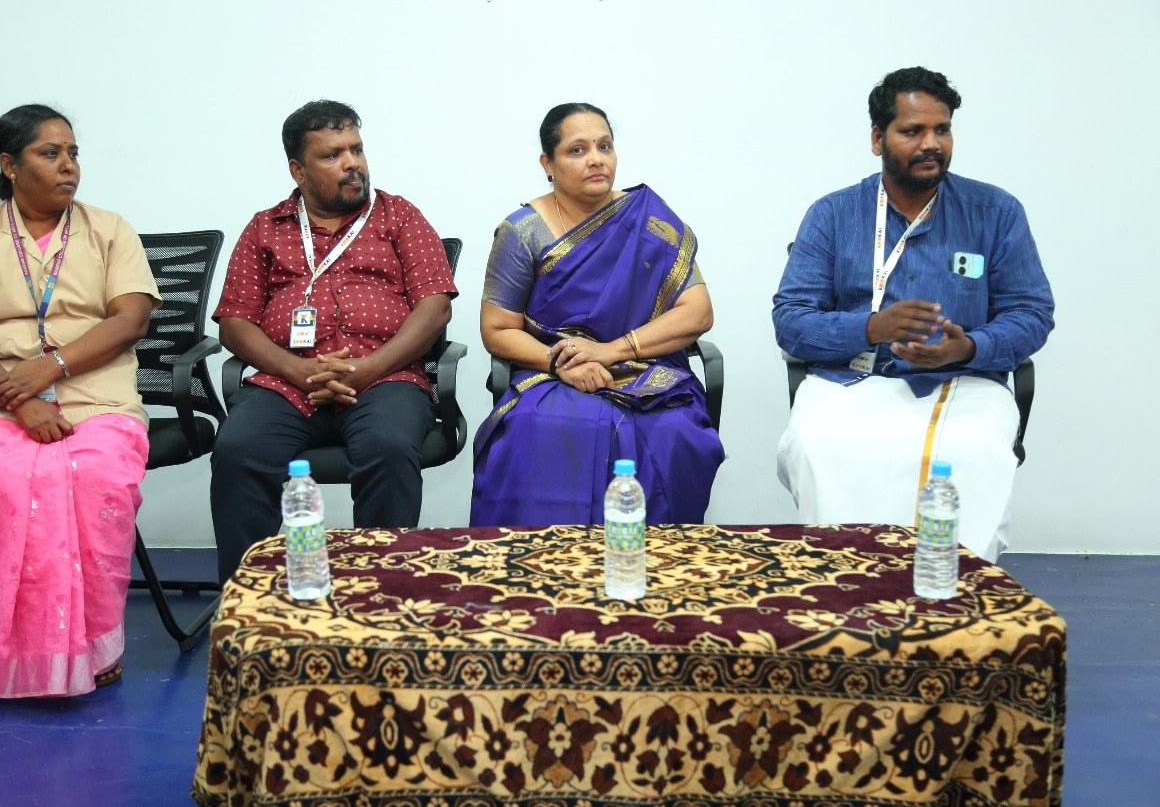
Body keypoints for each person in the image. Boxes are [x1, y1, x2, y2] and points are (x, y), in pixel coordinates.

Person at [0, 104, 161, 697]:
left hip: (95, 399)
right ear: (9, 164)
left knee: (93, 477)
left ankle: (92, 645)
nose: (69, 166)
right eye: (50, 154)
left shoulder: (110, 229)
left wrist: (51, 367)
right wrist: (18, 400)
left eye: (73, 153)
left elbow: (130, 320)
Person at [773, 67, 1055, 561]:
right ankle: (846, 576)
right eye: (912, 131)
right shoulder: (833, 215)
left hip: (964, 382)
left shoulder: (995, 212)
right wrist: (869, 327)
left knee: (976, 450)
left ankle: (956, 585)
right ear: (877, 139)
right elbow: (791, 319)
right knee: (816, 443)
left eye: (942, 129)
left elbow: (1031, 312)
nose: (931, 143)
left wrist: (969, 347)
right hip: (853, 377)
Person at [210, 100, 456, 583]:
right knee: (238, 450)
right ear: (298, 170)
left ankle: (383, 594)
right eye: (332, 155)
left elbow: (435, 306)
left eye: (356, 150)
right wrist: (296, 370)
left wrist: (368, 369)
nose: (352, 163)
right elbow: (234, 322)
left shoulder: (399, 215)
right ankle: (247, 599)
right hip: (285, 382)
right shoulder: (265, 227)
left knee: (388, 447)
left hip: (384, 378)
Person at [471, 103, 725, 527]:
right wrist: (560, 362)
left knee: (674, 431)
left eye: (604, 146)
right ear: (547, 164)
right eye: (578, 150)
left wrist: (610, 351)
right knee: (539, 424)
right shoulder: (523, 231)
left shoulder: (650, 222)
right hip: (555, 372)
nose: (596, 159)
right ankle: (544, 557)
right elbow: (497, 328)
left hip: (647, 369)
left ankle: (661, 557)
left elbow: (698, 312)